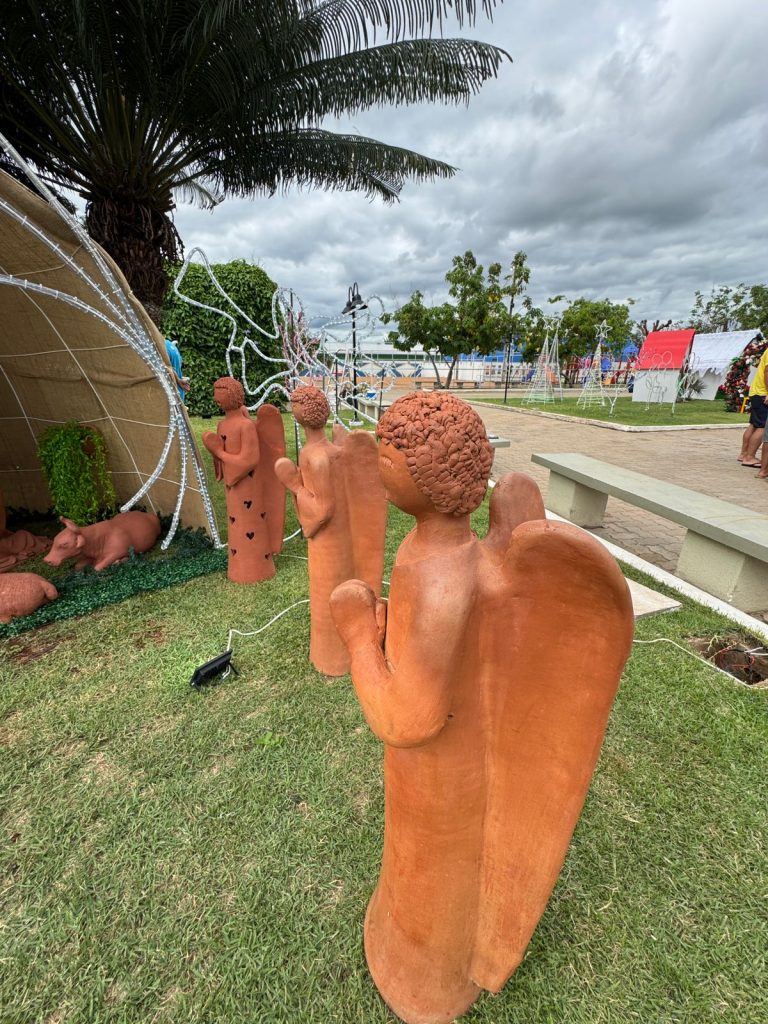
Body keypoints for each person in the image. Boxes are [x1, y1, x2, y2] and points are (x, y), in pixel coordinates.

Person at [737, 344, 768, 467]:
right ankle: (749, 457)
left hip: (756, 392)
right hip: (763, 393)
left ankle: (744, 454)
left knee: (754, 424)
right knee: (763, 426)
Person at [164, 337, 189, 403]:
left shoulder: (159, 346)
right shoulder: (169, 344)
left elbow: (165, 368)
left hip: (170, 391)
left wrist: (178, 379)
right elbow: (179, 364)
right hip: (179, 391)